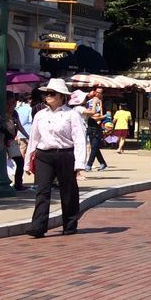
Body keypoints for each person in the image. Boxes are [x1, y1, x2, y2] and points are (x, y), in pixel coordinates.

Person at [24, 79, 88, 238]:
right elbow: (34, 139)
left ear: (62, 97)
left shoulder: (72, 114)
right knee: (42, 191)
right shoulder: (40, 115)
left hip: (65, 155)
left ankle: (70, 224)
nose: (48, 96)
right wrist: (27, 162)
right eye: (47, 93)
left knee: (68, 191)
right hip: (44, 155)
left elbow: (79, 139)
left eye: (52, 93)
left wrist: (80, 163)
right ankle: (38, 226)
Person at [83, 86, 107, 172]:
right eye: (97, 92)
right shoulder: (89, 102)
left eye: (100, 92)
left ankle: (89, 164)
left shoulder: (100, 102)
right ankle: (102, 163)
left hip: (97, 127)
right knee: (94, 147)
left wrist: (100, 117)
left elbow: (100, 114)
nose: (98, 94)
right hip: (90, 125)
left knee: (94, 147)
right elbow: (91, 114)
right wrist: (99, 116)